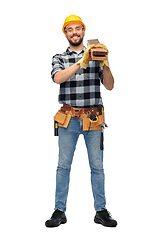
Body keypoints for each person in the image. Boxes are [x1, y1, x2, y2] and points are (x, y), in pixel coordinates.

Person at [45, 15, 117, 228]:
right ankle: (59, 210)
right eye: (70, 30)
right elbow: (58, 78)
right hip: (68, 120)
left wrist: (105, 64)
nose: (74, 33)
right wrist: (81, 62)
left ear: (84, 31)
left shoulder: (96, 55)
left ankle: (101, 210)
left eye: (78, 29)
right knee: (63, 166)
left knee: (97, 166)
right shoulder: (59, 57)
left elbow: (110, 86)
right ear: (65, 33)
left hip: (93, 120)